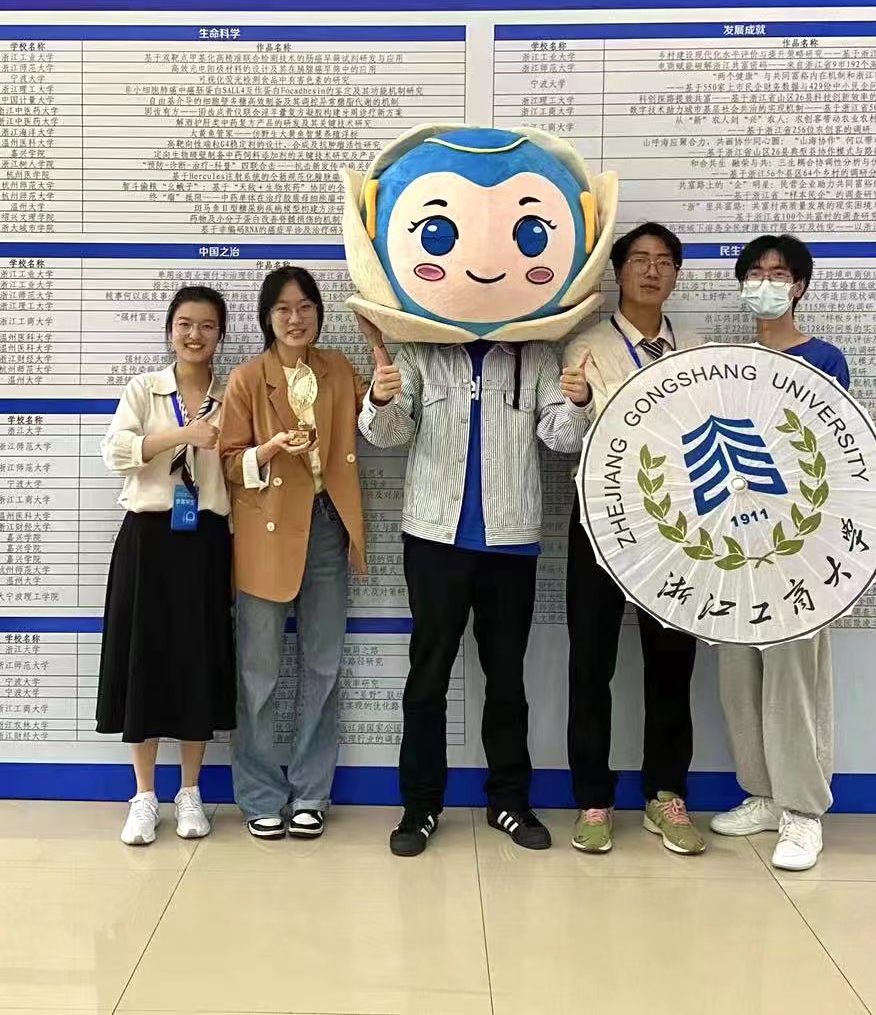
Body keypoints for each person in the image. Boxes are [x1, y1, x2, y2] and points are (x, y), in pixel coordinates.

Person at [362, 321, 592, 857]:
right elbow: (387, 434)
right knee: (427, 677)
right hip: (433, 539)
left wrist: (578, 403)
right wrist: (380, 397)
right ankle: (420, 805)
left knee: (507, 678)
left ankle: (509, 800)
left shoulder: (535, 355)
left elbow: (562, 439)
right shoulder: (421, 351)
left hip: (510, 543)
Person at [560, 222, 706, 856]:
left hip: (679, 529)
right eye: (640, 259)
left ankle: (665, 794)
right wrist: (576, 401)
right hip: (601, 521)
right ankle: (593, 799)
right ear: (619, 271)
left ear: (675, 274)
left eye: (665, 261)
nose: (652, 271)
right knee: (591, 662)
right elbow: (565, 438)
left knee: (672, 664)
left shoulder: (697, 350)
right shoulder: (586, 347)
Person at [710, 234, 850, 872]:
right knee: (738, 670)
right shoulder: (729, 364)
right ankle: (763, 794)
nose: (766, 283)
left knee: (794, 674)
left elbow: (838, 451)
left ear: (799, 287)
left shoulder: (824, 360)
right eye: (756, 273)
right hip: (734, 542)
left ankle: (802, 810)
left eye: (779, 274)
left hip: (800, 543)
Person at [219, 267, 366, 840]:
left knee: (322, 665)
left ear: (319, 315)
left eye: (305, 307)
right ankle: (259, 794)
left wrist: (382, 377)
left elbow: (376, 421)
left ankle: (310, 793)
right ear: (267, 318)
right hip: (266, 532)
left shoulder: (338, 370)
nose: (295, 318)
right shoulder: (247, 379)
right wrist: (268, 449)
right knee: (257, 671)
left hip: (327, 526)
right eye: (283, 309)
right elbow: (228, 463)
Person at [96, 286, 235, 846]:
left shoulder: (233, 393)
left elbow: (238, 468)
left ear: (220, 335)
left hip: (204, 540)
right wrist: (183, 434)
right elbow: (115, 452)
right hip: (148, 539)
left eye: (206, 326)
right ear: (170, 330)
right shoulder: (144, 389)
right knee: (143, 661)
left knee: (196, 660)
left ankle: (190, 792)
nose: (195, 335)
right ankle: (144, 796)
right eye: (185, 324)